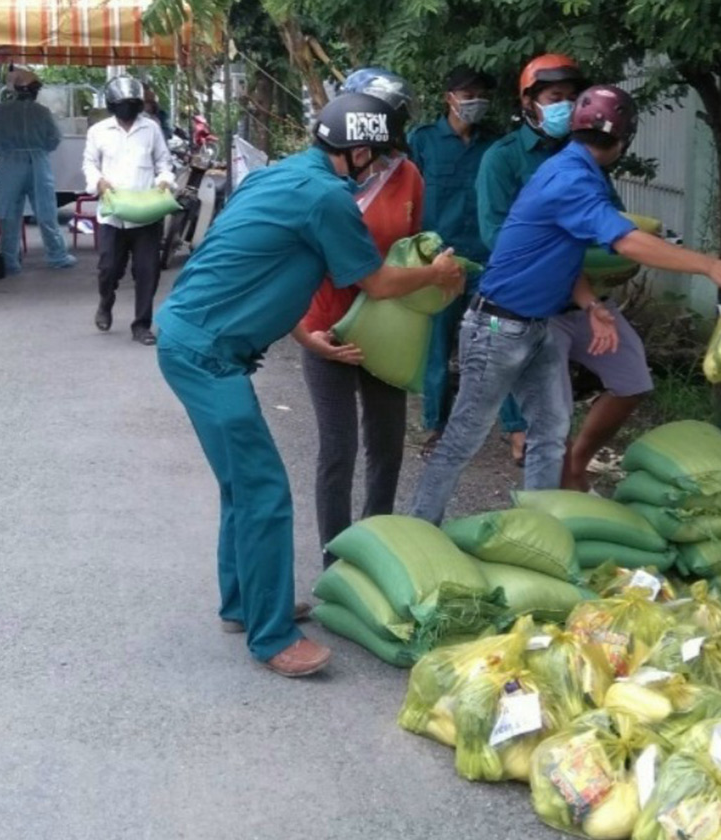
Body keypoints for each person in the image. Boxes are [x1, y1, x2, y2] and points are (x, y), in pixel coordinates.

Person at [154, 93, 465, 677]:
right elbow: (375, 282)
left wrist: (301, 332)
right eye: (376, 158)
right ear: (360, 150)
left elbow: (269, 265)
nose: (378, 169)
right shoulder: (326, 196)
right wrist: (438, 273)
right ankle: (272, 639)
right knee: (265, 490)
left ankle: (244, 604)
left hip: (194, 339)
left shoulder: (281, 175)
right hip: (207, 354)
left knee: (240, 485)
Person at [410, 85, 721, 524]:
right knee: (462, 440)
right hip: (497, 327)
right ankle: (419, 527)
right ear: (624, 142)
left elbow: (558, 256)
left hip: (537, 326)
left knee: (550, 435)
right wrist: (710, 266)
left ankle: (540, 529)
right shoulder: (571, 177)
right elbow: (626, 240)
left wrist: (590, 304)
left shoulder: (573, 170)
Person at [477, 54, 657, 491]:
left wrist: (615, 255)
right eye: (555, 97)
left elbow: (609, 222)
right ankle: (554, 512)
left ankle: (577, 463)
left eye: (573, 99)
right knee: (550, 421)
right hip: (534, 308)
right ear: (529, 102)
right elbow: (497, 239)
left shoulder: (586, 156)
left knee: (633, 380)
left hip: (586, 300)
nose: (566, 106)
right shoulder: (501, 160)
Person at [295, 68, 430, 570]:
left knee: (387, 445)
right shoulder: (322, 176)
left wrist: (438, 274)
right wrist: (305, 332)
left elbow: (407, 252)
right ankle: (335, 558)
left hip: (384, 329)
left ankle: (374, 547)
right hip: (325, 327)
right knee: (338, 451)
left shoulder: (408, 175)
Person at [409, 66, 529, 463]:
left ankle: (518, 432)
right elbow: (406, 195)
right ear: (449, 97)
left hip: (488, 267)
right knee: (438, 349)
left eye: (482, 93)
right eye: (468, 93)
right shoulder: (423, 141)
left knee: (499, 343)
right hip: (440, 266)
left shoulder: (496, 147)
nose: (476, 100)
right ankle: (437, 428)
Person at [83, 75, 176, 345]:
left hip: (146, 210)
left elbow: (164, 162)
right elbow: (90, 164)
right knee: (109, 267)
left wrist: (164, 182)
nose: (128, 109)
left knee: (148, 270)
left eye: (133, 104)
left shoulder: (151, 129)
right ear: (112, 105)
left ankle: (142, 325)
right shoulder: (98, 131)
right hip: (113, 212)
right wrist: (97, 182)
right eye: (123, 104)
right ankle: (105, 301)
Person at [0, 68, 77, 274]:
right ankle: (57, 256)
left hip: (9, 163)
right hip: (37, 162)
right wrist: (40, 151)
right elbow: (55, 138)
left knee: (8, 213)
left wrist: (1, 151)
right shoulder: (42, 112)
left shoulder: (0, 110)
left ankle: (9, 261)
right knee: (46, 211)